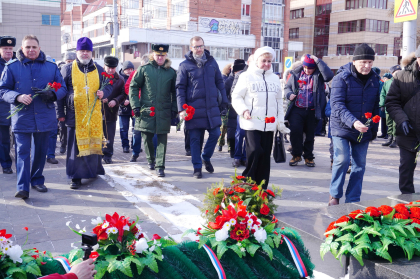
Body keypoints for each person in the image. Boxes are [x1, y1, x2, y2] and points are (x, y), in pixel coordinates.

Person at [0, 35, 67, 199]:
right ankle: (22, 187)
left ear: (39, 48)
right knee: (22, 151)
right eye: (27, 47)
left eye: (34, 47)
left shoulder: (51, 67)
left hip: (44, 116)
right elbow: (2, 90)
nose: (31, 50)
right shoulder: (12, 67)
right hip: (22, 117)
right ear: (22, 49)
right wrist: (17, 97)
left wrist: (51, 95)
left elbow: (63, 88)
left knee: (40, 151)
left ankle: (37, 179)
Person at [328, 43, 380, 205]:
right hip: (341, 127)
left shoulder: (374, 80)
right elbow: (336, 105)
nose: (367, 66)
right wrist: (353, 122)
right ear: (354, 61)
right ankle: (334, 195)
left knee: (360, 165)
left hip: (362, 129)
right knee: (342, 159)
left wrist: (372, 129)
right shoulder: (341, 77)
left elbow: (375, 106)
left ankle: (352, 199)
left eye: (370, 62)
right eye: (363, 62)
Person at [57, 37, 112, 189]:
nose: (85, 54)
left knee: (92, 145)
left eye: (87, 51)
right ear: (77, 52)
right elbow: (60, 92)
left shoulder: (99, 69)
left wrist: (104, 93)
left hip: (94, 116)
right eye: (82, 51)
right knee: (75, 149)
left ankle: (92, 171)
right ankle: (75, 177)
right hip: (74, 116)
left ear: (91, 52)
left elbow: (109, 86)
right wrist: (60, 112)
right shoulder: (67, 69)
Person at [232, 46, 289, 188]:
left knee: (264, 158)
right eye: (264, 61)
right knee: (255, 151)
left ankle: (262, 189)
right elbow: (236, 96)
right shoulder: (246, 76)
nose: (267, 64)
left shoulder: (275, 78)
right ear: (257, 60)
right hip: (252, 122)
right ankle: (246, 185)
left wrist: (280, 121)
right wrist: (243, 110)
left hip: (269, 124)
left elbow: (278, 102)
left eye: (270, 61)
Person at [176, 36, 229, 179]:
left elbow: (220, 82)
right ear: (191, 48)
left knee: (215, 134)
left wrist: (224, 102)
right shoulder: (184, 65)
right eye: (196, 47)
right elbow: (180, 88)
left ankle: (206, 156)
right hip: (193, 109)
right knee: (194, 139)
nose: (199, 49)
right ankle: (197, 167)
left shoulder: (212, 63)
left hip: (211, 107)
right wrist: (181, 108)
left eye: (201, 46)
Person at [129, 44, 177, 177]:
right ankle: (151, 159)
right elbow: (133, 86)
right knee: (147, 138)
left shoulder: (171, 72)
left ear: (166, 55)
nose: (160, 57)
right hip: (146, 110)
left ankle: (160, 166)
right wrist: (135, 106)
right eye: (157, 55)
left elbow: (175, 92)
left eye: (162, 55)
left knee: (162, 138)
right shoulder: (144, 69)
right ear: (153, 55)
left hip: (164, 111)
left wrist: (174, 108)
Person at [284, 54, 333, 167]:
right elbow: (287, 87)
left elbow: (329, 76)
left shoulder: (318, 75)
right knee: (295, 132)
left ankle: (308, 157)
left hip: (312, 110)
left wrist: (318, 60)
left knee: (310, 135)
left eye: (310, 68)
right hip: (297, 109)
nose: (307, 70)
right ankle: (296, 155)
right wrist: (289, 94)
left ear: (315, 67)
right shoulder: (296, 74)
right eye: (305, 67)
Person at [386, 48, 420, 194]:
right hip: (408, 131)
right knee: (406, 168)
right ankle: (407, 202)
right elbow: (392, 102)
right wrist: (402, 119)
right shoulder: (401, 76)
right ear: (418, 58)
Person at [101, 56, 127, 164]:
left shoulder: (120, 79)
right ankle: (98, 154)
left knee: (109, 134)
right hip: (98, 110)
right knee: (98, 133)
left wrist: (115, 101)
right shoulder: (99, 76)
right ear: (104, 66)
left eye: (113, 68)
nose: (111, 70)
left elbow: (123, 94)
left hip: (111, 112)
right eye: (108, 67)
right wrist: (100, 98)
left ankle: (108, 155)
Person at [219, 59, 246, 154]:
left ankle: (241, 154)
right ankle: (233, 152)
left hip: (244, 109)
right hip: (231, 110)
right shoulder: (229, 81)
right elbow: (223, 94)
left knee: (243, 133)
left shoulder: (246, 78)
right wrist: (226, 104)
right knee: (231, 133)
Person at [0, 36, 16, 174]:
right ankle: (5, 164)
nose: (8, 51)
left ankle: (21, 162)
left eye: (10, 48)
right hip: (1, 108)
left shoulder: (18, 63)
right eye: (5, 48)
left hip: (18, 107)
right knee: (4, 139)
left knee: (19, 138)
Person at [229, 58, 249, 167]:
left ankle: (245, 157)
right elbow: (233, 92)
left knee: (248, 134)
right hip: (242, 109)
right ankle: (237, 157)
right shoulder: (240, 75)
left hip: (253, 109)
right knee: (240, 134)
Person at [57, 52, 77, 155]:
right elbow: (59, 94)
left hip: (72, 106)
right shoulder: (63, 70)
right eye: (68, 61)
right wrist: (60, 113)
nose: (70, 63)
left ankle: (67, 144)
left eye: (72, 61)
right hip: (64, 103)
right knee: (62, 126)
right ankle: (63, 143)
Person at [381, 65, 401, 148]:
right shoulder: (387, 83)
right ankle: (389, 138)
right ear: (392, 73)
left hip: (398, 107)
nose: (398, 74)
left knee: (395, 124)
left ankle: (395, 140)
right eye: (396, 72)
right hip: (388, 107)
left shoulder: (404, 82)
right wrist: (382, 104)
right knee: (389, 123)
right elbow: (383, 94)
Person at [119, 60, 135, 154]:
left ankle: (134, 144)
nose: (129, 71)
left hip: (134, 107)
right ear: (123, 70)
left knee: (135, 128)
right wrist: (122, 101)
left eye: (131, 69)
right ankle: (125, 146)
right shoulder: (120, 78)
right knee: (123, 129)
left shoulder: (136, 76)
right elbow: (116, 92)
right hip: (123, 108)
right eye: (127, 69)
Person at [378, 72, 393, 139]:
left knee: (388, 121)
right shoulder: (384, 84)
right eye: (384, 78)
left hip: (389, 105)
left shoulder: (389, 84)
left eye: (386, 78)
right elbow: (382, 94)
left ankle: (388, 134)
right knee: (383, 120)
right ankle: (384, 133)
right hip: (383, 105)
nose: (384, 79)